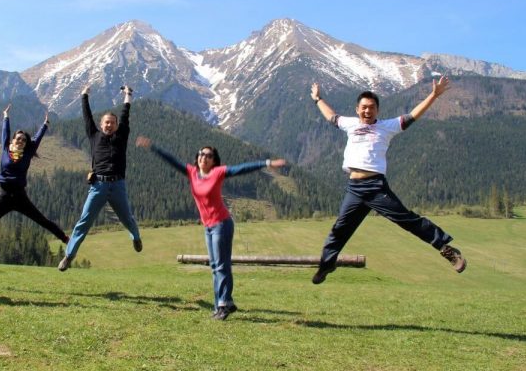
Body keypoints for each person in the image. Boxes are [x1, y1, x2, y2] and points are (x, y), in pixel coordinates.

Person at [309, 75, 466, 284]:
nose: (367, 111)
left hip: (375, 187)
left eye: (371, 107)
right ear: (357, 109)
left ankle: (447, 249)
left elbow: (412, 116)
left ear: (377, 110)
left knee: (407, 219)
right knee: (340, 229)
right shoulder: (350, 124)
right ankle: (327, 265)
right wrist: (318, 99)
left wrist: (434, 95)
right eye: (363, 107)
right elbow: (331, 116)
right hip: (354, 188)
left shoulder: (387, 126)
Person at [136, 136, 286, 320]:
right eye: (201, 154)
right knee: (216, 266)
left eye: (208, 155)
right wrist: (153, 147)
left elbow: (242, 169)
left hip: (222, 224)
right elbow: (172, 160)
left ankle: (222, 305)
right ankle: (224, 303)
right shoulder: (191, 172)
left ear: (214, 160)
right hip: (208, 226)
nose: (203, 157)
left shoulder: (218, 173)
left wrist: (267, 162)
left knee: (221, 265)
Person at [0, 104, 69, 259]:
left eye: (23, 140)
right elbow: (5, 132)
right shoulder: (5, 149)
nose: (21, 141)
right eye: (18, 138)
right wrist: (6, 116)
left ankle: (66, 239)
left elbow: (37, 139)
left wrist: (45, 124)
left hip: (20, 197)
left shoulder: (28, 152)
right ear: (13, 140)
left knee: (42, 220)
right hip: (4, 196)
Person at [58, 85, 143, 271]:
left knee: (127, 218)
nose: (109, 125)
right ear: (101, 124)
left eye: (113, 122)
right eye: (106, 122)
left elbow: (126, 112)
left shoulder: (122, 136)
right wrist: (84, 95)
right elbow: (86, 115)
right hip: (98, 186)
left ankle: (136, 238)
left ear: (117, 125)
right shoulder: (94, 135)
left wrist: (128, 95)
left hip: (118, 185)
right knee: (84, 222)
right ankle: (69, 256)